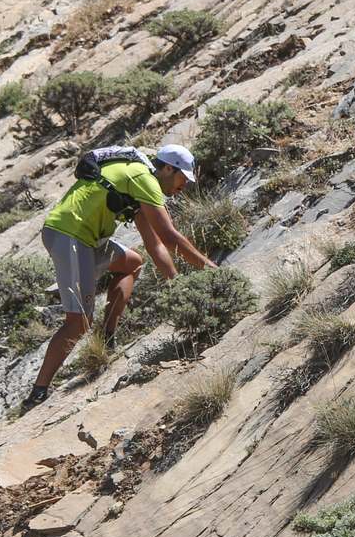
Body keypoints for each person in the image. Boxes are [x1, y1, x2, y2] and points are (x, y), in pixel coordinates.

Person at [25, 143, 216, 409]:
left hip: (86, 239)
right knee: (78, 321)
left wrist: (178, 284)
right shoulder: (143, 178)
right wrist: (212, 272)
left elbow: (154, 245)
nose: (183, 186)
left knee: (132, 263)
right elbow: (169, 237)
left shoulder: (137, 181)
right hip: (69, 235)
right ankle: (38, 391)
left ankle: (107, 337)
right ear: (169, 169)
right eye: (182, 178)